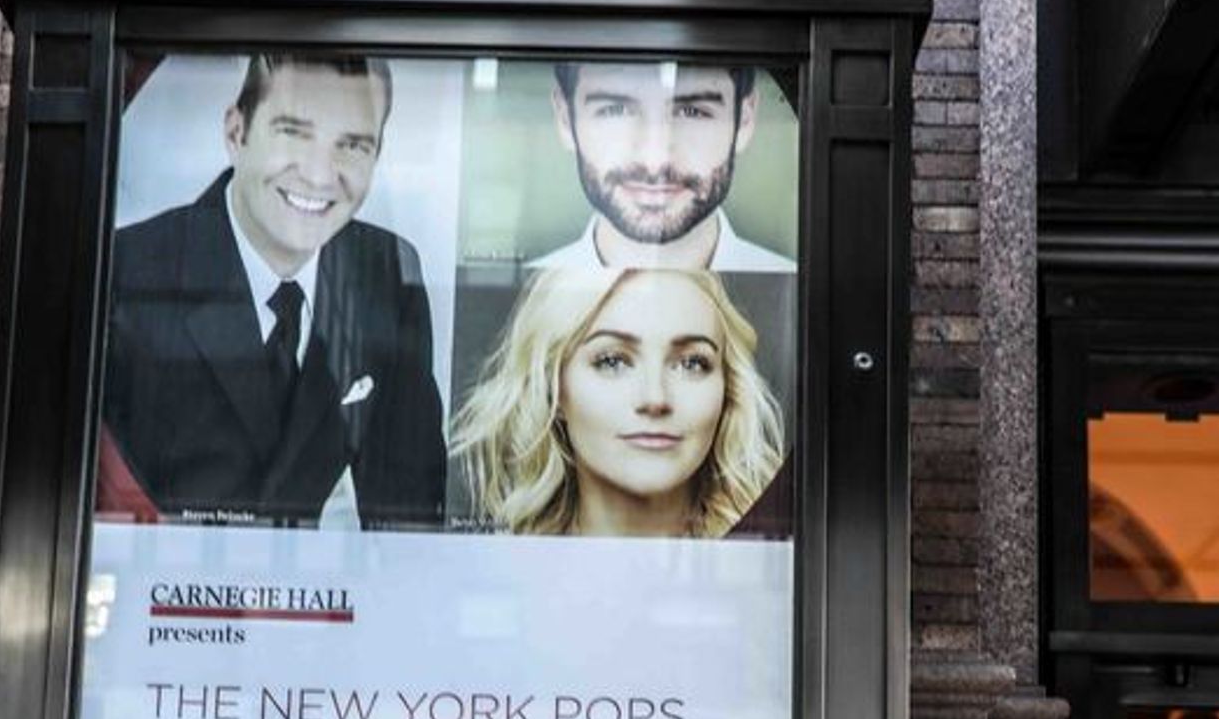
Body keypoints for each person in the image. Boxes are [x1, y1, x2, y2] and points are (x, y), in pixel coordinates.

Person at [99, 53, 445, 528]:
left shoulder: (385, 270)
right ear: (236, 134)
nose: (320, 175)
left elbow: (409, 505)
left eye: (352, 146)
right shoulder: (128, 270)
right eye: (294, 133)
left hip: (315, 590)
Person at [527, 60, 797, 435]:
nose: (655, 161)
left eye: (692, 111)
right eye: (615, 109)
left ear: (746, 119)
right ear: (563, 116)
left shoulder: (795, 287)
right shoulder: (535, 292)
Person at [451, 268, 784, 538]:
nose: (655, 399)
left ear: (728, 390)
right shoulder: (498, 572)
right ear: (554, 389)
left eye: (691, 363)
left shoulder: (770, 561)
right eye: (612, 361)